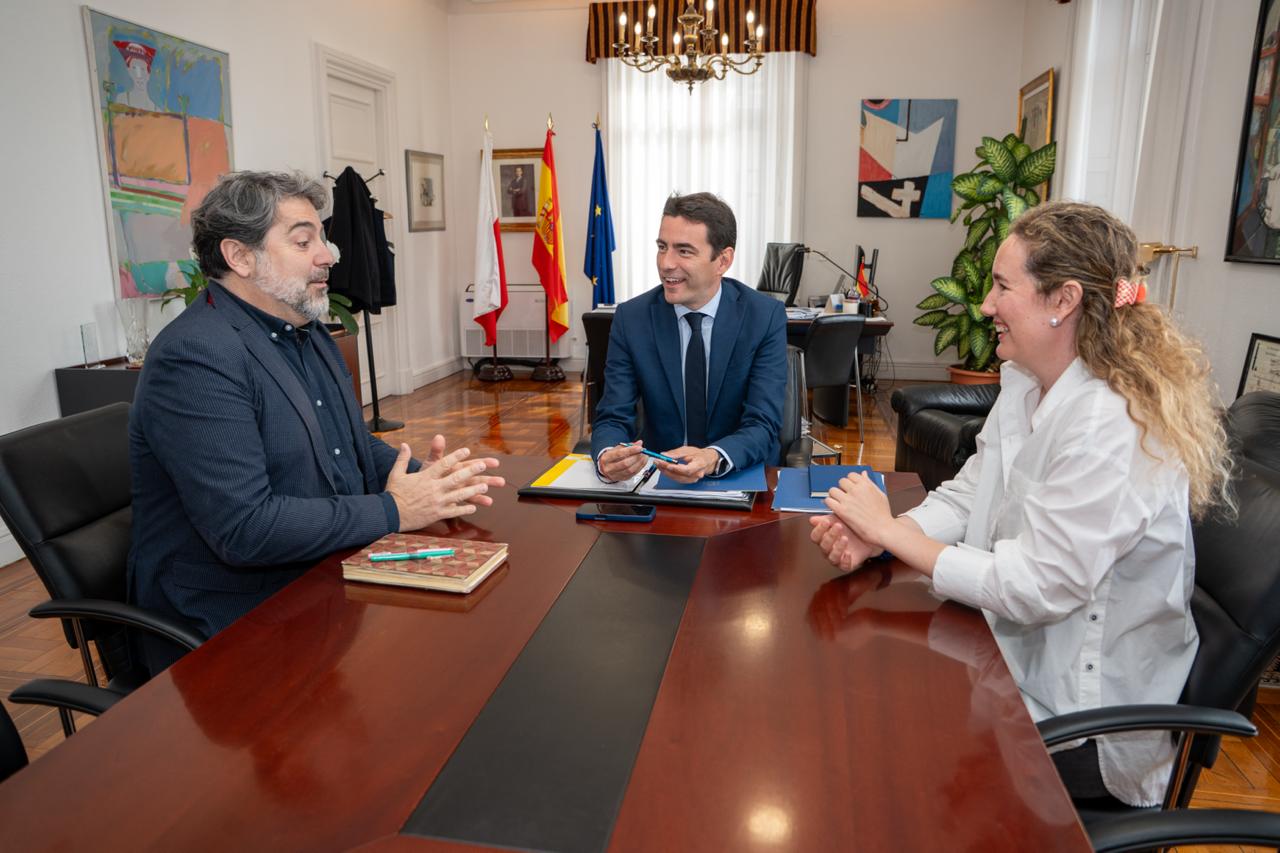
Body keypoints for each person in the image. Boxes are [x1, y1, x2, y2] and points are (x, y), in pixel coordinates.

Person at [811, 201, 1233, 807]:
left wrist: (893, 534)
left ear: (1062, 301)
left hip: (1081, 722)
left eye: (1003, 286)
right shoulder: (1030, 380)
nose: (985, 305)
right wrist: (885, 531)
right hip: (1012, 663)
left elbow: (1037, 588)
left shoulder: (1112, 423)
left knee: (884, 764)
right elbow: (970, 487)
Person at [128, 170, 504, 668]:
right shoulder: (197, 356)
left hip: (321, 574)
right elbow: (246, 528)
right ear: (239, 257)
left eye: (321, 238)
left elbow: (351, 446)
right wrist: (396, 510)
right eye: (304, 241)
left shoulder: (307, 332)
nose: (327, 255)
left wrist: (431, 484)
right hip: (236, 616)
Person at [591, 192, 787, 484]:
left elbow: (763, 423)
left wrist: (712, 456)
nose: (666, 263)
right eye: (662, 247)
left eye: (684, 251)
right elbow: (612, 415)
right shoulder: (632, 319)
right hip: (659, 478)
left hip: (736, 474)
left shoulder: (763, 317)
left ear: (722, 261)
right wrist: (608, 455)